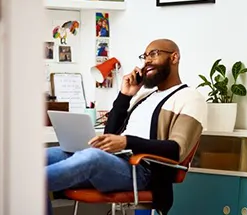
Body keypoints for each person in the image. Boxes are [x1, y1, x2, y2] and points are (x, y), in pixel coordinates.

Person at [45, 39, 206, 215]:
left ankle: (23, 185)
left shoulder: (190, 98)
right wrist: (124, 95)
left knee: (92, 157)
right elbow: (110, 133)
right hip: (114, 160)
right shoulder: (143, 96)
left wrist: (126, 142)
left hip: (143, 171)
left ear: (174, 57)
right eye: (145, 57)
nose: (147, 61)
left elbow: (177, 150)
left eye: (154, 54)